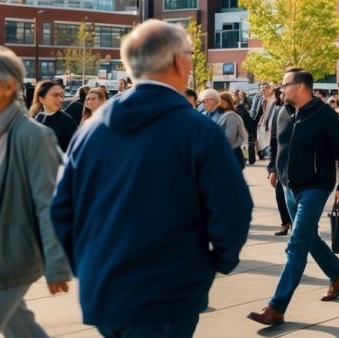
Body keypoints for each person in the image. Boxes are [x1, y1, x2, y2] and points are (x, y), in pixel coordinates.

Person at [50, 20, 252, 336]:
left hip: (105, 293)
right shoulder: (198, 131)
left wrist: (89, 266)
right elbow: (233, 210)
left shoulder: (90, 130)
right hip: (168, 293)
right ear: (177, 61)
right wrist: (217, 263)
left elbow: (61, 210)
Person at [249, 68, 339, 326]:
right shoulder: (282, 111)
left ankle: (276, 307)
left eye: (285, 85)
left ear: (302, 87)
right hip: (288, 186)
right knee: (307, 236)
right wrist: (273, 168)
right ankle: (338, 272)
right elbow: (276, 143)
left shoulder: (326, 115)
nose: (281, 89)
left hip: (316, 186)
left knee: (296, 243)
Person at [0, 46, 72, 337]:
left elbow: (47, 202)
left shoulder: (33, 136)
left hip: (13, 257)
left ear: (9, 85)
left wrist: (56, 264)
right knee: (21, 328)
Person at [265, 87, 292, 236]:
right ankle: (285, 222)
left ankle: (295, 222)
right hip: (282, 163)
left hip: (302, 165)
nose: (283, 94)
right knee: (280, 194)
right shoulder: (278, 112)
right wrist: (272, 169)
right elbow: (273, 141)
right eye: (282, 91)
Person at [30, 80, 77, 153]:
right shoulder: (38, 117)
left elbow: (76, 151)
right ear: (41, 99)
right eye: (55, 95)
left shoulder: (66, 120)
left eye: (62, 95)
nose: (60, 99)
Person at [215, 91, 249, 169]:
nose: (220, 104)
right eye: (219, 101)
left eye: (223, 102)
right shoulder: (223, 114)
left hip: (233, 155)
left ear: (228, 102)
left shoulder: (230, 116)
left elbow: (229, 138)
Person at [252, 82, 276, 160]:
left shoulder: (274, 100)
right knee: (259, 138)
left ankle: (270, 154)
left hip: (271, 123)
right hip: (262, 123)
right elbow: (257, 112)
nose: (264, 89)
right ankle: (260, 153)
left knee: (270, 138)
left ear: (270, 89)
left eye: (266, 87)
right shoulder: (260, 99)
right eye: (262, 88)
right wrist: (253, 123)